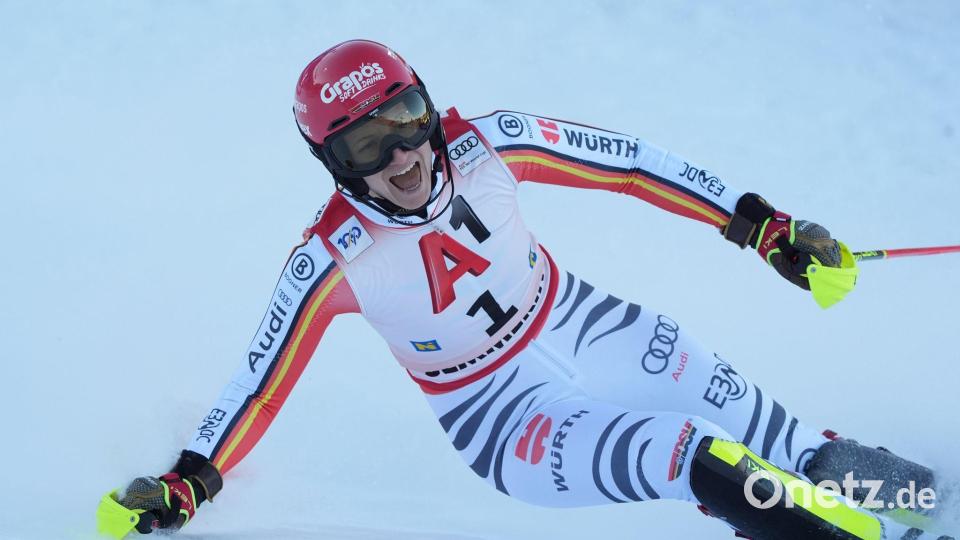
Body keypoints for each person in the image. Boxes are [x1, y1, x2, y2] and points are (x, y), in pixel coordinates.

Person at [103, 40, 950, 539]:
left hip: (593, 326)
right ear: (332, 164)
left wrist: (761, 225)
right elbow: (259, 382)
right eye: (367, 149)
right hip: (506, 420)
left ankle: (930, 507)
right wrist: (190, 480)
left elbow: (632, 165)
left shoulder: (489, 143)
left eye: (405, 123)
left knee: (800, 450)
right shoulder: (333, 255)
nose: (401, 159)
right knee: (689, 452)